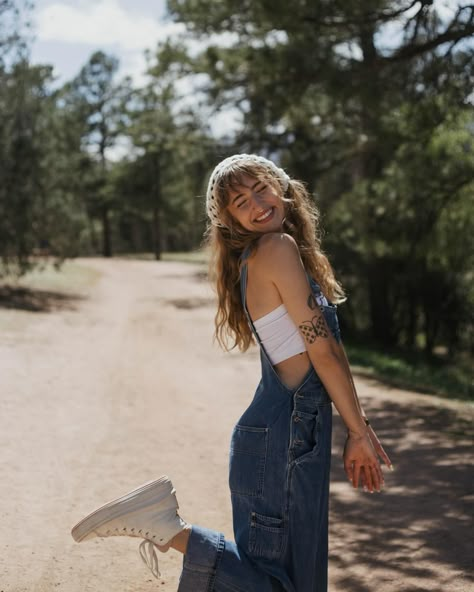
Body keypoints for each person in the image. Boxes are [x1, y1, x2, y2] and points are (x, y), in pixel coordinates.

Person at [71, 153, 392, 591]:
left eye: (260, 188)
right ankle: (169, 529)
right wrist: (358, 431)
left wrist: (359, 425)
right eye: (241, 202)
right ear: (232, 220)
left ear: (280, 185)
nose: (257, 203)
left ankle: (169, 528)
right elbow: (325, 352)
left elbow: (325, 351)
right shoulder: (276, 249)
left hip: (285, 438)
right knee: (284, 586)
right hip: (286, 440)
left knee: (297, 582)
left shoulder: (272, 252)